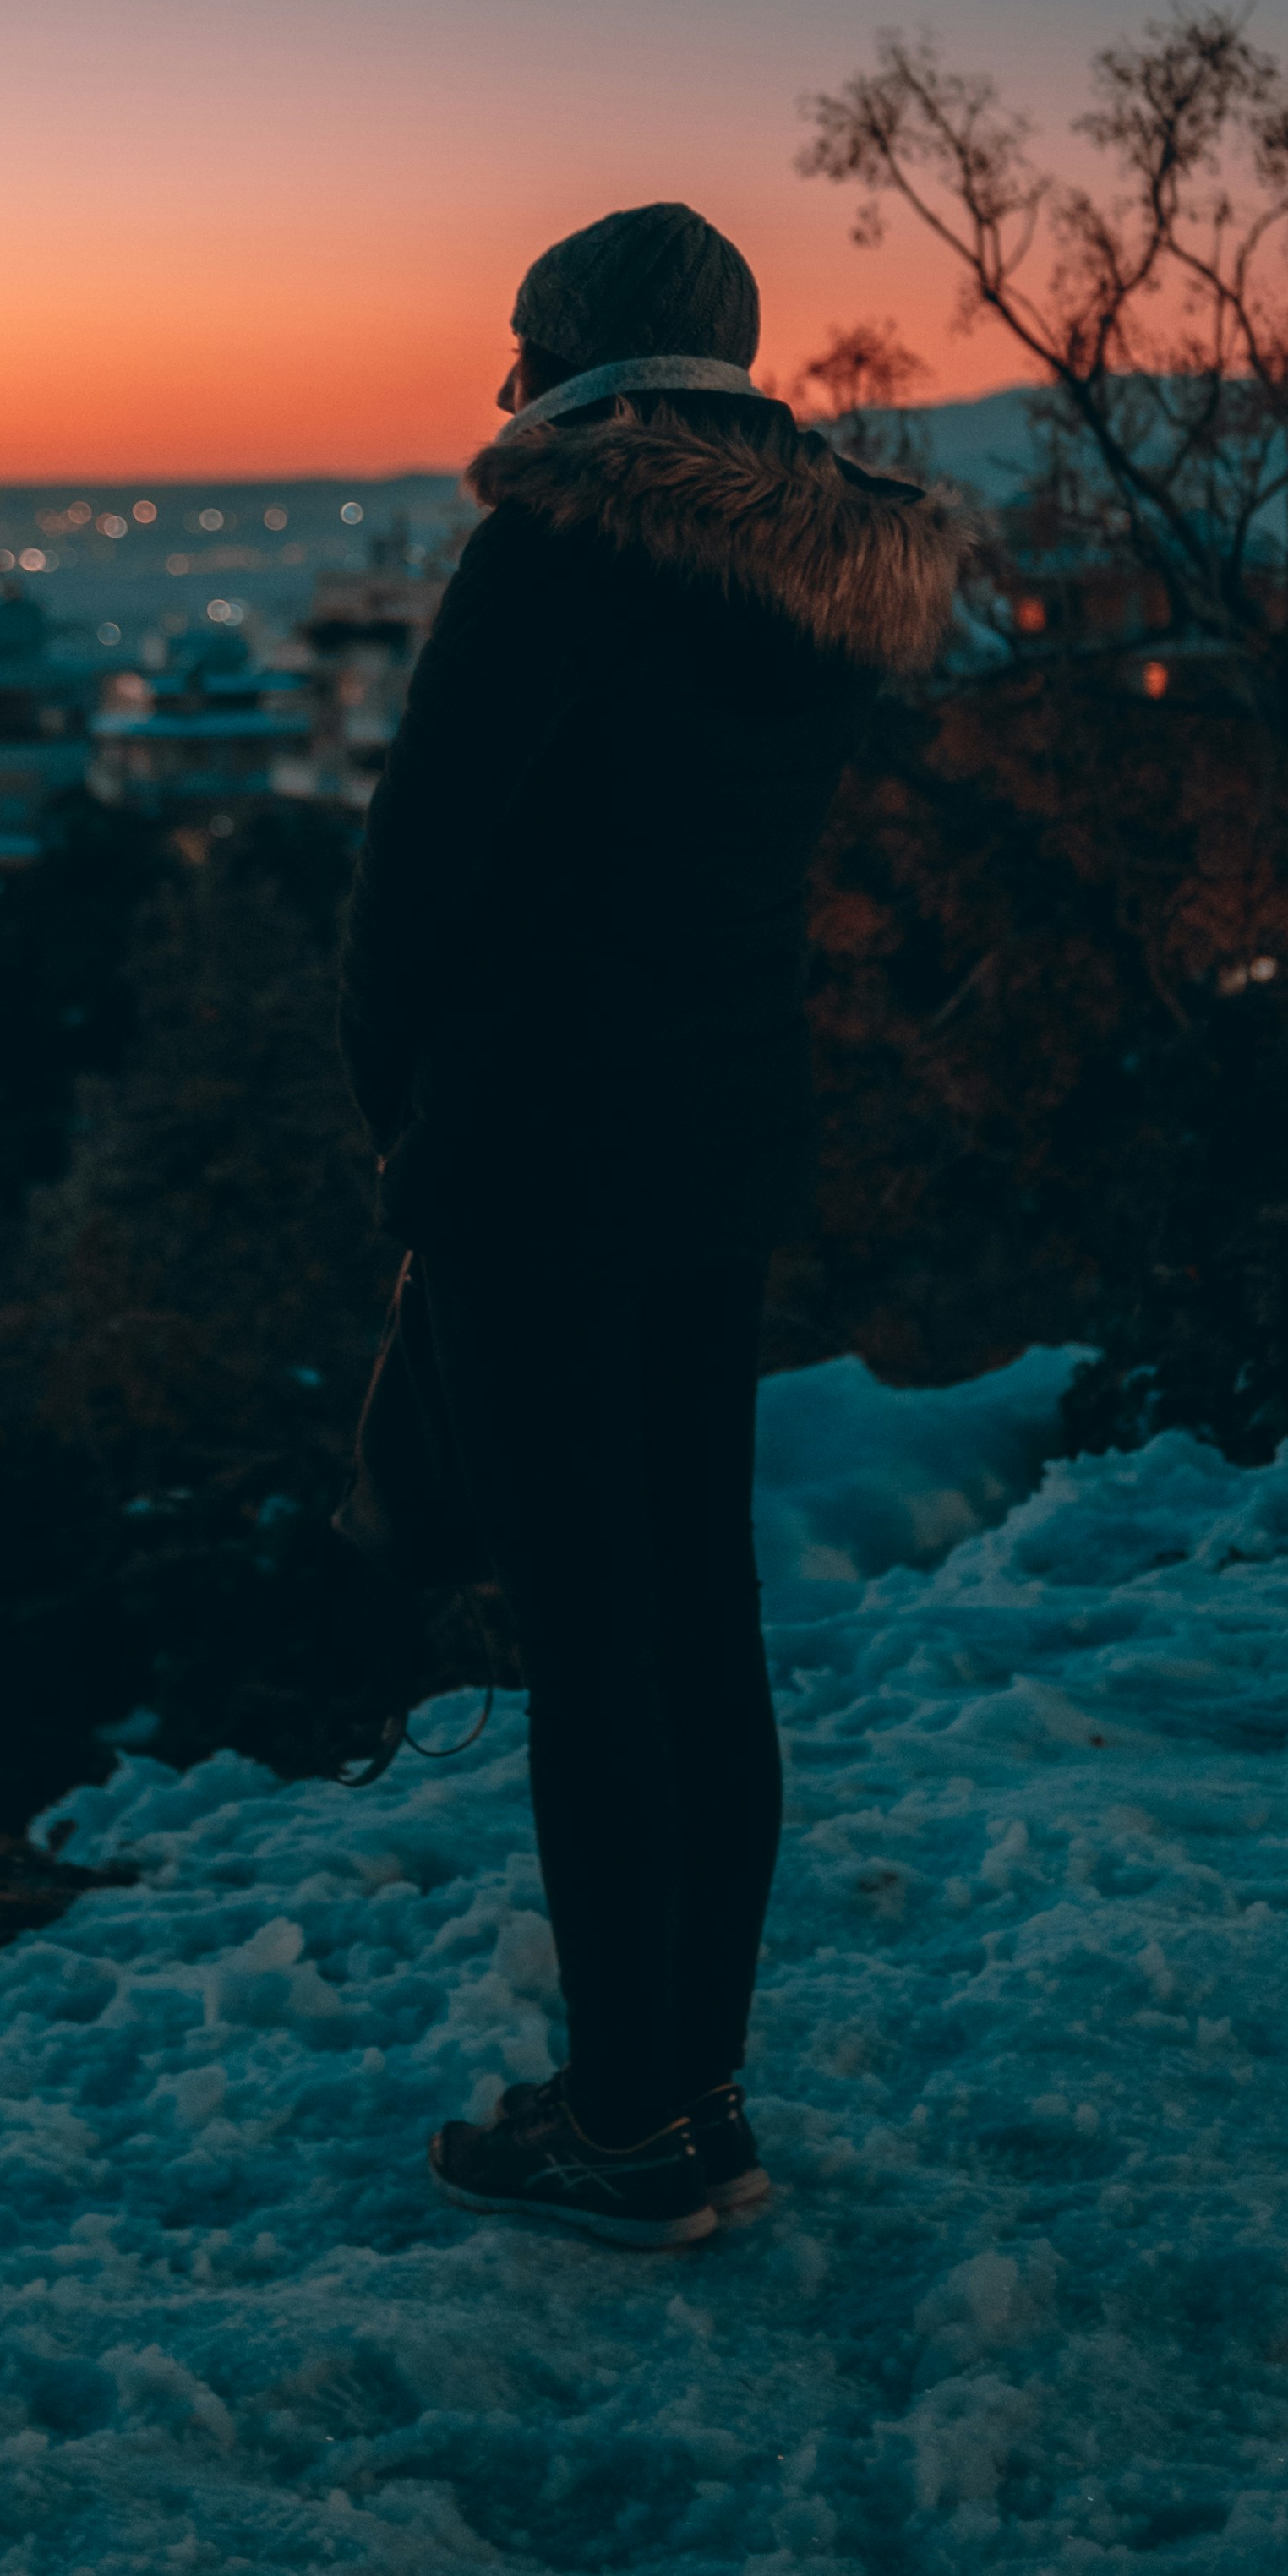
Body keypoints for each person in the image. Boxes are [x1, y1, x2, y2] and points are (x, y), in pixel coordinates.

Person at [337, 201, 967, 2247]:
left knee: (587, 1638)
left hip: (532, 1150)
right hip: (718, 1144)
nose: (500, 381)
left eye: (521, 345)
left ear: (573, 356)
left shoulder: (560, 543)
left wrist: (399, 1107)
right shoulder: (815, 571)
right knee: (699, 1625)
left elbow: (413, 871)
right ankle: (689, 2090)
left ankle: (620, 2122)